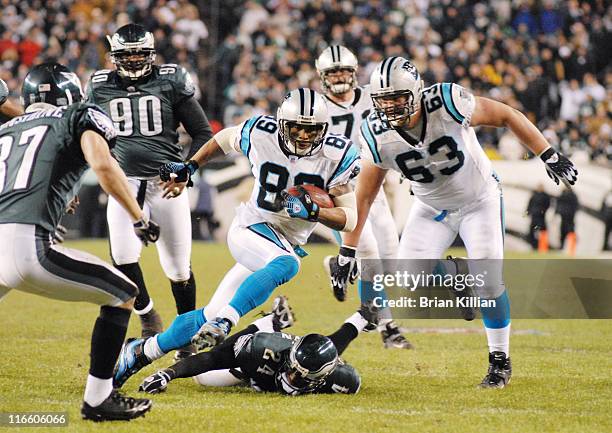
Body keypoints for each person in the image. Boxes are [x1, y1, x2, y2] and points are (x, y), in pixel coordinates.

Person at [330, 56, 577, 388]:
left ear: (417, 93)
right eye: (383, 99)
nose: (390, 107)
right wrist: (348, 250)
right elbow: (364, 196)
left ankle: (499, 362)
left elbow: (505, 115)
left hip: (479, 202)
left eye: (398, 98)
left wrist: (547, 153)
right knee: (408, 279)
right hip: (431, 208)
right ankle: (457, 276)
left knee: (489, 284)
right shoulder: (376, 133)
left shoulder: (447, 101)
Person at [0, 63, 160, 421]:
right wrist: (139, 216)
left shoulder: (6, 130)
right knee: (124, 293)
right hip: (26, 247)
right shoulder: (78, 115)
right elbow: (103, 167)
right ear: (72, 96)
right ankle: (98, 398)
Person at [158, 88, 360, 350]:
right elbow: (224, 139)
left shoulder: (337, 154)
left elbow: (350, 219)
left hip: (281, 243)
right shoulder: (260, 132)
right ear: (281, 124)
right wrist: (191, 166)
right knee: (286, 264)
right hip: (252, 227)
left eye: (311, 130)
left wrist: (315, 211)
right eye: (296, 128)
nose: (303, 136)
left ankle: (142, 351)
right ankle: (227, 321)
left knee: (208, 314)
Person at [86, 24, 213, 354]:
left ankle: (186, 332)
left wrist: (185, 169)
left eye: (139, 52)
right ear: (113, 56)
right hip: (123, 181)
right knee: (123, 257)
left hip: (164, 182)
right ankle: (147, 316)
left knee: (177, 267)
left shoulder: (170, 80)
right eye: (125, 54)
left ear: (151, 52)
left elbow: (202, 133)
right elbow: (84, 137)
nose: (132, 59)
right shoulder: (99, 87)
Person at [316, 45, 411, 349]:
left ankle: (339, 263)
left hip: (374, 187)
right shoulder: (316, 107)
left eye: (344, 70)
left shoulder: (374, 96)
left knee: (391, 261)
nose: (340, 77)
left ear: (354, 72)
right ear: (322, 76)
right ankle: (387, 326)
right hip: (339, 193)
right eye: (333, 72)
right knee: (369, 254)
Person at [137, 300, 377, 396]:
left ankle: (362, 316)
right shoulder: (262, 350)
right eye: (292, 369)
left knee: (329, 347)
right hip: (257, 346)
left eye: (298, 376)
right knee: (204, 379)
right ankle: (271, 321)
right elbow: (212, 358)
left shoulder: (343, 380)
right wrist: (168, 373)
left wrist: (358, 321)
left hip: (291, 357)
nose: (290, 375)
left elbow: (333, 344)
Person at [526, 184, 551, 250]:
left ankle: (543, 247)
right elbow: (529, 205)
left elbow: (547, 205)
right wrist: (527, 212)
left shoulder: (545, 196)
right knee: (532, 231)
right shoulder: (534, 195)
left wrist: (542, 211)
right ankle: (534, 246)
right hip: (534, 216)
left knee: (542, 231)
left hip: (541, 217)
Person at [556, 187, 579, 252]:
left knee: (571, 232)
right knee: (562, 232)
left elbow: (576, 206)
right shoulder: (562, 195)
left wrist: (571, 213)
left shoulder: (573, 196)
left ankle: (572, 248)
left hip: (570, 218)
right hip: (563, 217)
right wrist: (559, 212)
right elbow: (558, 204)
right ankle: (561, 246)